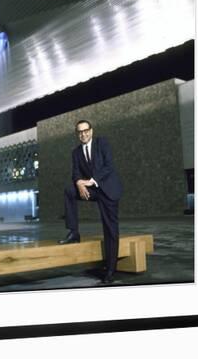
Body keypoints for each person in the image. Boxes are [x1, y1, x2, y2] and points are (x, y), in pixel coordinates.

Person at [58, 120, 123, 284]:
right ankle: (74, 233)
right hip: (91, 190)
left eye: (86, 130)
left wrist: (91, 181)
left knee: (110, 230)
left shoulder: (102, 143)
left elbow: (108, 167)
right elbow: (75, 172)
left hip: (107, 189)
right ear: (77, 134)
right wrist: (79, 182)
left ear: (91, 131)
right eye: (80, 132)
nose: (83, 134)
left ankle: (110, 269)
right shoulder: (76, 152)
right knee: (69, 190)